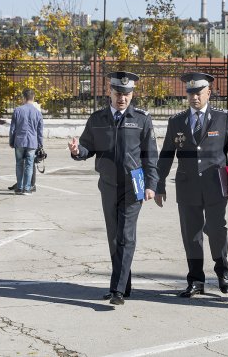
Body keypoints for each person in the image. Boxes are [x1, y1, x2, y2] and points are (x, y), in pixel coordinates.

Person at [67, 71, 159, 306]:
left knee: (126, 236)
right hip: (108, 184)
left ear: (132, 94)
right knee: (114, 236)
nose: (122, 98)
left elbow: (150, 155)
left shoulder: (141, 119)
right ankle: (124, 284)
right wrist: (78, 151)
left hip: (133, 184)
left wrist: (151, 184)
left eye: (127, 94)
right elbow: (87, 147)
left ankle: (116, 290)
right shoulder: (98, 119)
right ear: (110, 92)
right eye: (118, 93)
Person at [155, 72, 228, 297]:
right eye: (190, 92)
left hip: (216, 185)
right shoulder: (176, 121)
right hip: (187, 186)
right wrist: (159, 184)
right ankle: (196, 280)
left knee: (216, 230)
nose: (194, 97)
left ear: (209, 93)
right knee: (191, 234)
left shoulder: (223, 118)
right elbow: (166, 154)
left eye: (198, 92)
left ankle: (222, 272)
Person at [9, 88, 44, 195]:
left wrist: (11, 141)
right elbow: (40, 131)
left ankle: (19, 187)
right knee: (29, 164)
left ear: (24, 97)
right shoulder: (38, 113)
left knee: (19, 164)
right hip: (32, 142)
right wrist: (40, 144)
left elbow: (12, 129)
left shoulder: (17, 110)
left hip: (19, 141)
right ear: (33, 98)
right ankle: (27, 188)